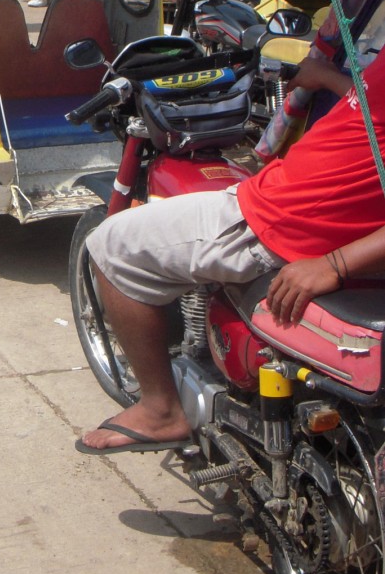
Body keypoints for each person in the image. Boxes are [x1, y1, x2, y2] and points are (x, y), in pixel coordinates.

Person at [76, 52, 385, 454]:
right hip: (296, 208)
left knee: (112, 244)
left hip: (285, 223)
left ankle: (159, 410)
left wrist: (334, 264)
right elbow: (372, 110)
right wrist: (327, 77)